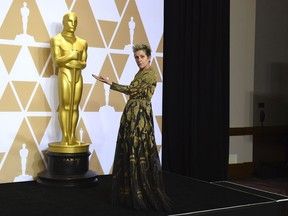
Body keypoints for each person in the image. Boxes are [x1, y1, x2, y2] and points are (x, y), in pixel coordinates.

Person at [92, 44, 172, 212]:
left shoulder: (150, 74)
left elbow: (132, 90)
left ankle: (143, 192)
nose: (139, 60)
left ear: (149, 57)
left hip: (140, 118)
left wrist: (110, 83)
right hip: (133, 115)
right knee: (130, 151)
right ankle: (131, 193)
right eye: (136, 57)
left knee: (139, 151)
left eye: (142, 56)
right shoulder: (140, 73)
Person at [50, 12, 88, 145]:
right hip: (65, 75)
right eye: (70, 21)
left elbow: (83, 63)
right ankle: (65, 136)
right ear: (64, 22)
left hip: (77, 76)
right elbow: (57, 61)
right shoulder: (57, 40)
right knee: (65, 106)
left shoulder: (82, 43)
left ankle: (72, 135)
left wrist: (70, 61)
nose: (73, 24)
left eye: (75, 21)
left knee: (75, 106)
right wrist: (71, 56)